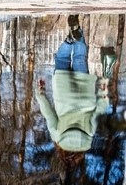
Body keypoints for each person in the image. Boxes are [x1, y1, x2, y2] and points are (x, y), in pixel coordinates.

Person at [35, 14, 108, 155]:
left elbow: (97, 112)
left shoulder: (89, 136)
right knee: (61, 58)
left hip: (85, 94)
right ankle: (69, 41)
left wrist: (103, 91)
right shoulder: (58, 137)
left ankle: (77, 33)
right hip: (64, 93)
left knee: (80, 58)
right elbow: (48, 113)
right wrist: (41, 94)